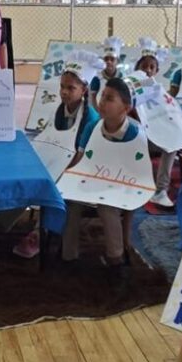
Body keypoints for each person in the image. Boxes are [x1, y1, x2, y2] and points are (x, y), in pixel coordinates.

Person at [0, 52, 103, 258]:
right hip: (54, 163)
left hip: (77, 170)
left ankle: (41, 234)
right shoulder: (59, 110)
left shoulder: (90, 120)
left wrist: (59, 174)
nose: (64, 92)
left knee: (52, 188)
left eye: (71, 88)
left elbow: (81, 158)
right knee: (27, 180)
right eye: (62, 86)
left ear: (84, 90)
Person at [62, 77, 141, 272]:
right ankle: (68, 256)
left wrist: (127, 235)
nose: (102, 102)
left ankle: (116, 258)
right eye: (102, 97)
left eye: (110, 99)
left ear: (126, 108)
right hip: (93, 181)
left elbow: (137, 176)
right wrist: (66, 179)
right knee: (71, 202)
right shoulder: (92, 128)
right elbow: (80, 160)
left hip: (122, 187)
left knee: (107, 206)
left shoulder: (134, 133)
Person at [135, 37, 182, 208]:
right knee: (172, 143)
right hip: (142, 136)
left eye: (151, 67)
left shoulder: (158, 89)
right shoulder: (134, 87)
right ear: (137, 68)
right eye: (144, 67)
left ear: (156, 70)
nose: (148, 71)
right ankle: (160, 190)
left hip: (160, 133)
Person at [89, 36, 123, 107]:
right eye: (106, 59)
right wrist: (99, 114)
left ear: (117, 61)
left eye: (112, 59)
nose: (109, 62)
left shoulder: (123, 77)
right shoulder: (97, 78)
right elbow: (93, 98)